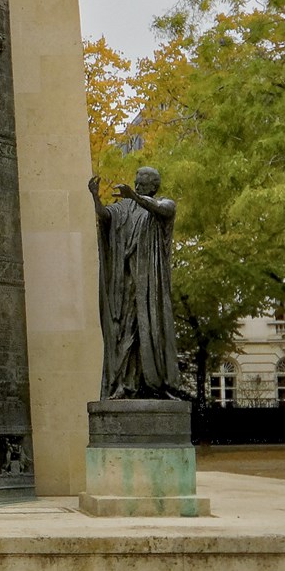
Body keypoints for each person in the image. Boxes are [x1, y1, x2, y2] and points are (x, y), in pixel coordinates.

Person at [90, 164, 182, 400]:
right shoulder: (124, 208)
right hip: (126, 283)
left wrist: (134, 196)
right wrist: (95, 198)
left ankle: (157, 385)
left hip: (150, 286)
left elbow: (161, 210)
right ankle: (124, 385)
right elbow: (105, 216)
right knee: (124, 332)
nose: (138, 184)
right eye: (137, 180)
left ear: (153, 186)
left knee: (150, 331)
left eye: (142, 181)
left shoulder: (164, 205)